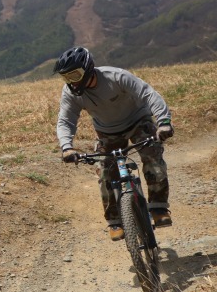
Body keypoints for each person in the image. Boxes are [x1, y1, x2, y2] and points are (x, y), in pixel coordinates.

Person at [53, 47, 175, 242]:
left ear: (87, 69)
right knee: (105, 172)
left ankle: (159, 207)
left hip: (138, 122)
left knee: (152, 155)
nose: (71, 82)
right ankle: (115, 221)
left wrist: (164, 122)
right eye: (66, 77)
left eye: (74, 75)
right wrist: (67, 147)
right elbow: (66, 121)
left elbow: (148, 94)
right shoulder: (71, 93)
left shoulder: (116, 77)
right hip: (107, 131)